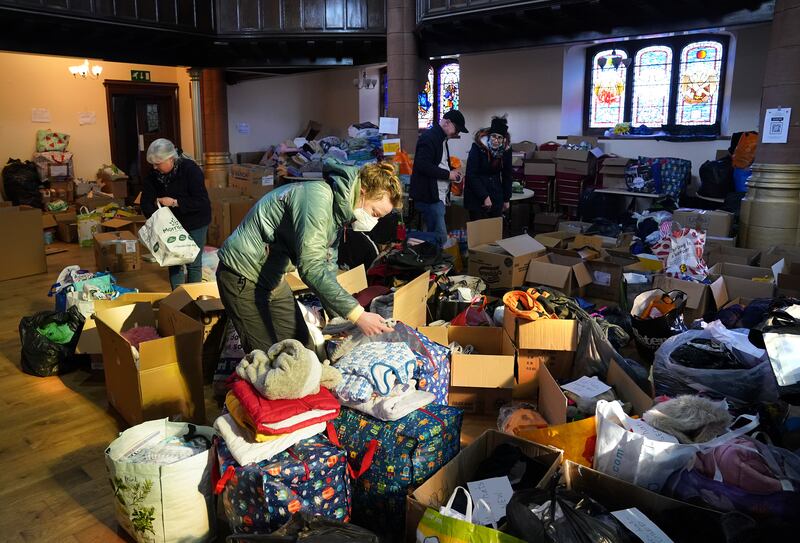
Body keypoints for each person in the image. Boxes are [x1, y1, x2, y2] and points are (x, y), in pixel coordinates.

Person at [216, 160, 402, 354]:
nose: (374, 220)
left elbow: (328, 264)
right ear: (363, 191)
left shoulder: (339, 212)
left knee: (303, 349)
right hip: (241, 274)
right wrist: (358, 315)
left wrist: (341, 319)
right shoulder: (318, 197)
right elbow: (311, 267)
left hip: (271, 275)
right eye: (374, 213)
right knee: (267, 357)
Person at [140, 138, 211, 290]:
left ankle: (194, 300)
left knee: (193, 264)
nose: (154, 167)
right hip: (170, 224)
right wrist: (157, 219)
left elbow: (201, 201)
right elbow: (145, 202)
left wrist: (174, 202)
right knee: (174, 263)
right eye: (152, 164)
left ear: (170, 158)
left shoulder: (190, 169)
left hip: (195, 220)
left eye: (157, 164)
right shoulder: (153, 175)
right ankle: (178, 301)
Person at [409, 109, 468, 247]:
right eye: (457, 129)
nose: (457, 133)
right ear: (447, 123)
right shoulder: (429, 137)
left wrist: (453, 172)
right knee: (440, 237)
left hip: (437, 196)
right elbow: (422, 165)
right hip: (430, 197)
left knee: (434, 239)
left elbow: (438, 164)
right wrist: (448, 174)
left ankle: (429, 262)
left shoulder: (441, 139)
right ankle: (403, 238)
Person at [464, 116, 512, 221]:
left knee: (494, 231)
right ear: (489, 136)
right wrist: (484, 196)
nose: (496, 140)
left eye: (499, 138)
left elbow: (507, 175)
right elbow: (471, 175)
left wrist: (506, 199)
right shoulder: (477, 148)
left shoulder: (506, 151)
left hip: (495, 193)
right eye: (493, 136)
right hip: (476, 194)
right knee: (479, 232)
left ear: (504, 139)